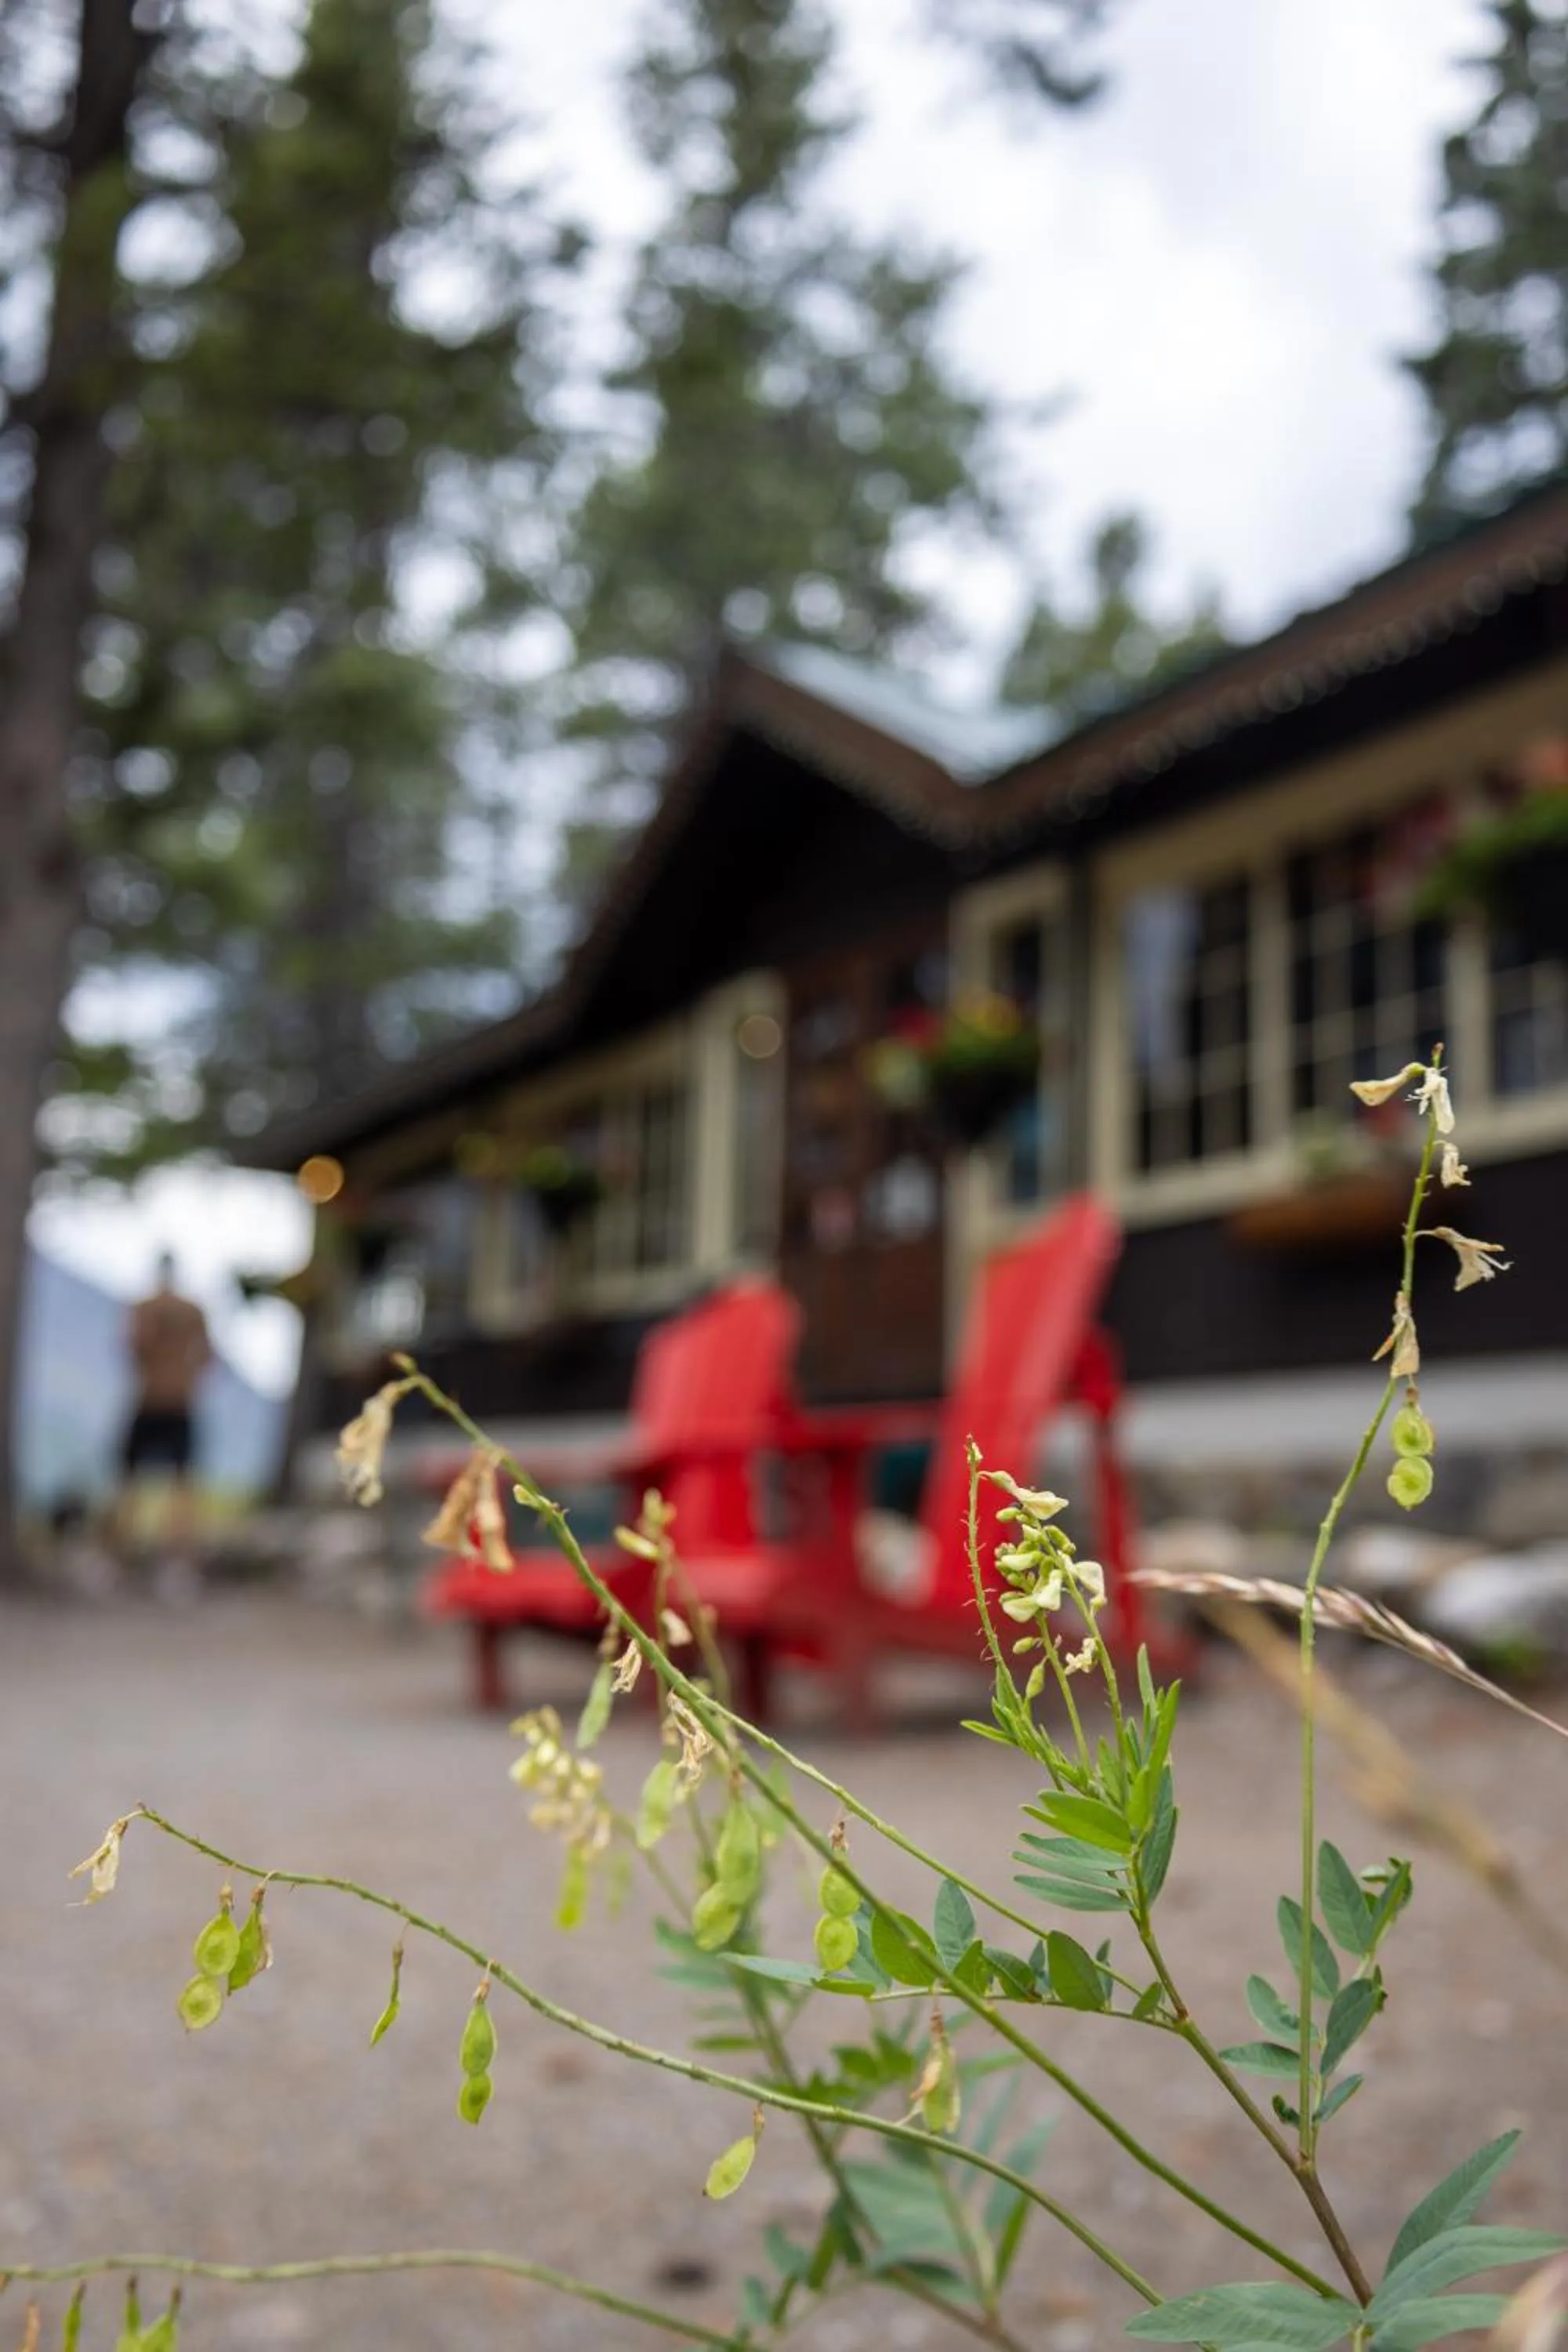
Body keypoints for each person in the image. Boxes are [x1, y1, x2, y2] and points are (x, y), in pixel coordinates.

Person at [115, 1250, 212, 1563]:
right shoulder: (190, 1310)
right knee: (180, 1481)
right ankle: (171, 1555)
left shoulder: (145, 1308)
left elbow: (133, 1346)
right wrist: (186, 1375)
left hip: (152, 1398)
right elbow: (207, 1355)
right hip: (179, 1401)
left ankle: (131, 1551)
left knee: (132, 1478)